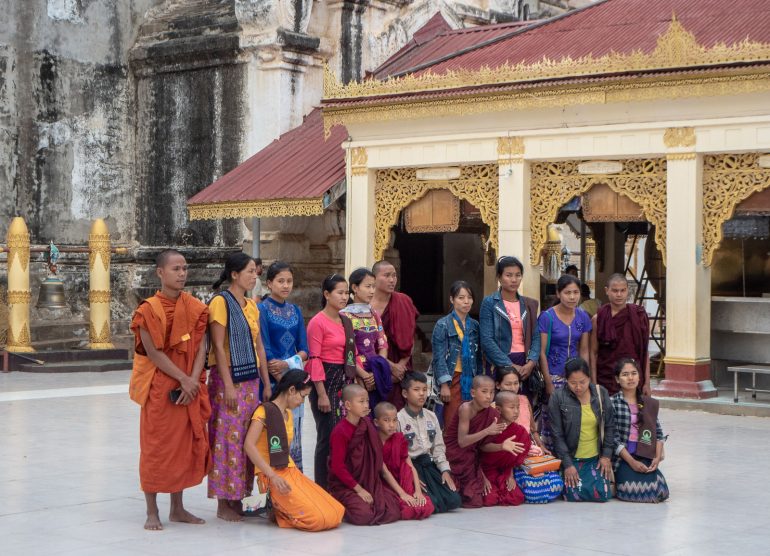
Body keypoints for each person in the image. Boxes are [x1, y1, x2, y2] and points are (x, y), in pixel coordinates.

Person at [130, 249, 211, 531]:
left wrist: (193, 378)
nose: (182, 274)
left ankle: (177, 508)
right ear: (160, 273)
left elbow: (202, 346)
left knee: (183, 447)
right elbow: (154, 352)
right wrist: (183, 379)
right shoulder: (147, 310)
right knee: (155, 447)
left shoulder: (194, 307)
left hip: (188, 384)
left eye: (185, 268)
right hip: (161, 387)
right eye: (175, 269)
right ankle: (152, 511)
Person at [207, 253, 272, 522]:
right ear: (234, 274)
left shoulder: (252, 305)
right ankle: (223, 502)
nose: (254, 276)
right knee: (227, 440)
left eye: (256, 272)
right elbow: (219, 348)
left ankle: (239, 497)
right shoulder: (221, 303)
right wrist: (230, 386)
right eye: (249, 272)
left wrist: (267, 382)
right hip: (229, 379)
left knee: (246, 438)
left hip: (251, 380)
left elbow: (259, 347)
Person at [243, 370, 345, 530]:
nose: (303, 402)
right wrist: (273, 476)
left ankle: (280, 510)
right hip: (271, 475)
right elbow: (248, 446)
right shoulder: (263, 411)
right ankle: (279, 513)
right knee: (318, 519)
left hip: (290, 471)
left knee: (336, 510)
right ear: (291, 390)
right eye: (303, 396)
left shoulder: (288, 414)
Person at [307, 274, 369, 488]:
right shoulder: (317, 322)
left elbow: (350, 353)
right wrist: (322, 393)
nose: (345, 297)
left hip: (343, 381)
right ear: (326, 294)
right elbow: (314, 358)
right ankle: (322, 487)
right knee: (327, 436)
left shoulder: (345, 321)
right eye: (339, 293)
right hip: (324, 381)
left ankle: (340, 483)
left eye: (346, 293)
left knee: (343, 435)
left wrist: (357, 378)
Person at [258, 261, 308, 470]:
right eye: (280, 281)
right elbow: (265, 347)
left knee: (293, 434)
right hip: (271, 381)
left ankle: (293, 482)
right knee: (272, 433)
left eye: (289, 281)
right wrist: (280, 380)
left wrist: (288, 366)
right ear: (269, 283)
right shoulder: (261, 309)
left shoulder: (295, 310)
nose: (286, 285)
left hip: (294, 379)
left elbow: (305, 349)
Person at [327, 384, 401, 525]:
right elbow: (337, 467)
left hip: (368, 481)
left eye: (367, 401)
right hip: (345, 485)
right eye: (361, 401)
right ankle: (336, 500)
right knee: (364, 516)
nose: (366, 405)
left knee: (392, 509)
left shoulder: (366, 424)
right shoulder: (340, 431)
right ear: (348, 405)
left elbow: (375, 455)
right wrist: (359, 490)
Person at [479, 256, 541, 416]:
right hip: (499, 362)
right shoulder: (490, 303)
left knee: (522, 409)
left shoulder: (529, 304)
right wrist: (509, 366)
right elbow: (487, 339)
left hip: (525, 364)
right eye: (508, 275)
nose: (514, 279)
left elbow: (536, 336)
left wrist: (532, 362)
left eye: (518, 275)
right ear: (499, 277)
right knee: (499, 409)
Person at [548, 357, 615, 502]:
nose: (578, 387)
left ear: (589, 378)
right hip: (571, 457)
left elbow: (609, 426)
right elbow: (557, 435)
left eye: (582, 382)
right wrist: (567, 465)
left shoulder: (600, 393)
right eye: (573, 383)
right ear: (566, 380)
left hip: (595, 458)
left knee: (602, 495)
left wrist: (606, 456)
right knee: (571, 495)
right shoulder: (558, 397)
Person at [538, 274, 592, 451]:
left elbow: (584, 349)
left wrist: (586, 378)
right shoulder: (547, 317)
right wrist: (548, 382)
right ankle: (551, 464)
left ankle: (572, 462)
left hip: (576, 378)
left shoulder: (583, 317)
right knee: (551, 422)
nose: (572, 297)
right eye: (567, 292)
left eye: (576, 292)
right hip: (554, 375)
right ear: (558, 293)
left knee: (575, 421)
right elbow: (541, 352)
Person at [496, 367, 563, 504]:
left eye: (516, 383)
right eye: (508, 384)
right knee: (530, 489)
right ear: (498, 385)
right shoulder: (494, 406)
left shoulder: (524, 400)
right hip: (511, 453)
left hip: (529, 448)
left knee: (556, 483)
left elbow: (533, 430)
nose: (513, 387)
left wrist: (541, 445)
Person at [397, 373, 462, 513]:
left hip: (429, 466)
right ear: (405, 393)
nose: (422, 394)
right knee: (433, 504)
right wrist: (409, 476)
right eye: (416, 390)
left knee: (454, 500)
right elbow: (398, 454)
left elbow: (438, 447)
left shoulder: (431, 416)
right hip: (411, 467)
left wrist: (444, 470)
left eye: (424, 389)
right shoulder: (398, 419)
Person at [611, 358, 669, 503]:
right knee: (630, 489)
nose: (630, 378)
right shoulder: (612, 403)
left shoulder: (647, 402)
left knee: (661, 489)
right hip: (623, 458)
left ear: (639, 376)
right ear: (617, 379)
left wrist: (656, 458)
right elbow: (613, 439)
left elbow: (659, 433)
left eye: (634, 373)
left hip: (645, 454)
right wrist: (632, 462)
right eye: (625, 374)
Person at [444, 375, 507, 508]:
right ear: (473, 392)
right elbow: (462, 441)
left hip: (472, 457)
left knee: (476, 502)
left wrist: (502, 446)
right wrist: (487, 431)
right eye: (484, 392)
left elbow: (483, 446)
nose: (489, 396)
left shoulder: (493, 414)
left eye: (491, 392)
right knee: (462, 498)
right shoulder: (466, 409)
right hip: (455, 454)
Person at [432, 280, 482, 428]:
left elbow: (478, 357)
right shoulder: (443, 325)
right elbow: (438, 357)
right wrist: (444, 385)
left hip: (470, 378)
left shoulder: (474, 325)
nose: (466, 302)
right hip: (452, 378)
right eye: (461, 297)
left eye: (469, 297)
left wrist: (479, 378)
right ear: (452, 300)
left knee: (471, 420)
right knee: (452, 420)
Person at [590, 274, 651, 396]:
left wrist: (647, 383)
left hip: (633, 378)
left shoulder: (638, 316)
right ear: (607, 291)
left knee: (633, 413)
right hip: (606, 378)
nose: (619, 295)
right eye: (615, 291)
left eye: (622, 290)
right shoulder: (599, 318)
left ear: (627, 290)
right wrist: (594, 382)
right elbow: (593, 352)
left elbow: (645, 351)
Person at [340, 268, 393, 408]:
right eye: (368, 286)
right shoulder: (344, 315)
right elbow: (346, 350)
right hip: (355, 373)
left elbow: (383, 344)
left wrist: (377, 369)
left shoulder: (373, 314)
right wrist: (363, 375)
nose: (372, 291)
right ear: (355, 288)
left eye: (373, 287)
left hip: (375, 372)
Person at [370, 260, 419, 410]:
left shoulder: (403, 301)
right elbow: (363, 343)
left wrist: (401, 366)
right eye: (387, 276)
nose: (392, 280)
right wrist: (390, 366)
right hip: (374, 365)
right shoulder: (365, 305)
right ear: (374, 278)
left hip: (402, 368)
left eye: (394, 276)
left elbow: (411, 337)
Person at [374, 401, 434, 520]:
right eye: (386, 420)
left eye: (394, 420)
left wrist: (418, 491)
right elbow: (385, 473)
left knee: (424, 506)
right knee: (404, 509)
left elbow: (411, 467)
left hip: (402, 479)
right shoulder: (374, 442)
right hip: (385, 482)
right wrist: (403, 494)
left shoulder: (399, 438)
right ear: (376, 422)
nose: (391, 425)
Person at [479, 392, 530, 506]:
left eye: (518, 407)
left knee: (515, 498)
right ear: (499, 409)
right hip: (484, 470)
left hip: (504, 471)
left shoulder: (519, 431)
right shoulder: (489, 427)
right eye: (512, 407)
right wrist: (482, 478)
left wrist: (510, 475)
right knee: (489, 499)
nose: (516, 411)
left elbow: (512, 458)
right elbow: (475, 452)